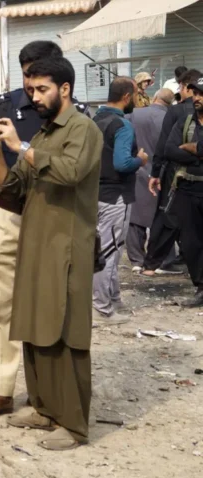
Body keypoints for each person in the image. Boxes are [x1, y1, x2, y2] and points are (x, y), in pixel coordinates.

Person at [0, 40, 89, 421]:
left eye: (41, 77)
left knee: (46, 308)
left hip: (51, 223)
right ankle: (1, 390)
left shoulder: (76, 119)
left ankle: (42, 393)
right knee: (0, 306)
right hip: (8, 216)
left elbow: (77, 175)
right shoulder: (2, 108)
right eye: (28, 75)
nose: (32, 86)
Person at [0, 56, 102, 451]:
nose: (34, 97)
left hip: (65, 247)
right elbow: (12, 188)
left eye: (42, 89)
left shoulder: (83, 129)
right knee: (36, 328)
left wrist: (21, 147)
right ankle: (44, 409)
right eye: (31, 89)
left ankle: (74, 424)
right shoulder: (44, 134)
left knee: (66, 333)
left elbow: (69, 172)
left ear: (64, 89)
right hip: (34, 246)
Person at [91, 77, 148, 325]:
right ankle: (102, 308)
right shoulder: (122, 125)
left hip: (93, 195)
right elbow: (122, 163)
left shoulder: (94, 121)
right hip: (116, 197)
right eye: (135, 95)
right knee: (109, 252)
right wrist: (141, 160)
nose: (137, 99)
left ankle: (113, 299)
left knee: (103, 249)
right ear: (126, 97)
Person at [141, 69, 203, 277]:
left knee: (167, 216)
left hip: (177, 175)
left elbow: (163, 148)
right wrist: (198, 156)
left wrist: (156, 172)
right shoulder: (182, 115)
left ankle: (152, 263)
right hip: (182, 177)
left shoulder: (177, 111)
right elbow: (168, 148)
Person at [161, 75, 203, 306]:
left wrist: (195, 148)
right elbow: (170, 150)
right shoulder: (186, 121)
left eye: (201, 94)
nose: (197, 98)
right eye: (195, 93)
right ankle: (201, 287)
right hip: (188, 188)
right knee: (191, 242)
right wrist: (198, 157)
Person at [126, 89, 175, 272]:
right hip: (162, 171)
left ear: (154, 97)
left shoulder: (134, 114)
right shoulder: (170, 118)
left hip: (138, 166)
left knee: (136, 216)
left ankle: (137, 260)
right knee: (162, 216)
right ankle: (163, 260)